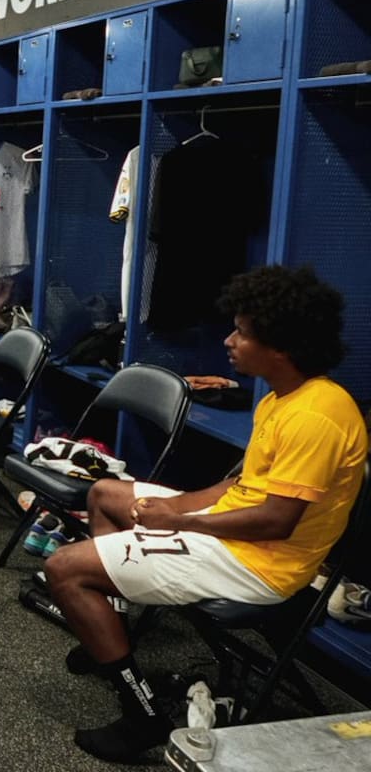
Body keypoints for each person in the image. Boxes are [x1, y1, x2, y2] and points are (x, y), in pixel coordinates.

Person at [45, 265, 367, 763]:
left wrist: (180, 521)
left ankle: (141, 714)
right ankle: (109, 636)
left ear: (280, 347)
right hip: (234, 534)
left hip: (260, 564)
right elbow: (240, 485)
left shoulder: (316, 417)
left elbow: (276, 521)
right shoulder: (284, 397)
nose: (229, 341)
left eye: (242, 333)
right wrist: (175, 505)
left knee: (63, 569)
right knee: (106, 495)